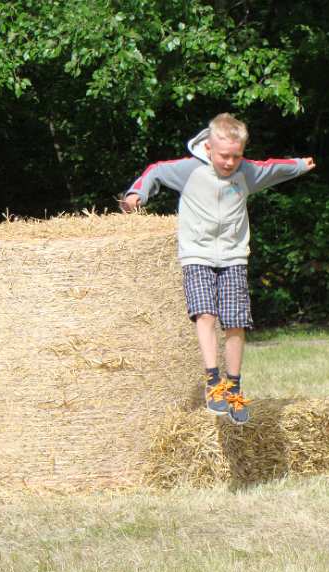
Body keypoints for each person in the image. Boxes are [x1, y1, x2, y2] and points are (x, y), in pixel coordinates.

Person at [119, 113, 316, 424]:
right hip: (196, 254)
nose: (230, 162)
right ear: (209, 148)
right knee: (206, 314)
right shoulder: (189, 170)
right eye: (224, 156)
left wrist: (300, 165)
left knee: (235, 322)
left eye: (236, 156)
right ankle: (214, 383)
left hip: (233, 256)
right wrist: (136, 194)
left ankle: (234, 388)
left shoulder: (246, 172)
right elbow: (155, 171)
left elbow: (273, 168)